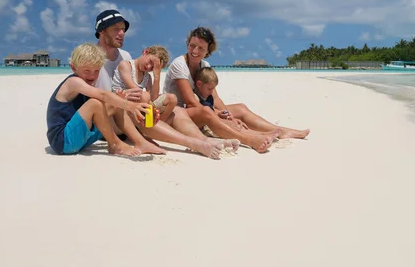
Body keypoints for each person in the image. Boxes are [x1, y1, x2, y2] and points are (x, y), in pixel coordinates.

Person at [93, 9, 239, 159]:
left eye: (123, 29)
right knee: (144, 106)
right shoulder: (92, 57)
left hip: (128, 112)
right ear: (102, 31)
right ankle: (195, 144)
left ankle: (205, 140)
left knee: (177, 110)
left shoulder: (124, 55)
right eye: (116, 29)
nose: (122, 33)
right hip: (110, 118)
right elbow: (87, 96)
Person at [163, 27, 308, 152]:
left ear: (208, 51)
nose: (195, 51)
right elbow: (190, 102)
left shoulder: (204, 65)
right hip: (178, 115)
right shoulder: (179, 65)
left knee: (240, 108)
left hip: (197, 110)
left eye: (201, 48)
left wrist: (229, 116)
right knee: (208, 111)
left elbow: (216, 98)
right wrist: (221, 115)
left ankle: (280, 131)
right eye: (192, 45)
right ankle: (250, 139)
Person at [46, 43, 163, 157]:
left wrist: (120, 100)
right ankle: (115, 144)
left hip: (81, 139)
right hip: (63, 142)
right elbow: (102, 95)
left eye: (96, 71)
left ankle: (140, 142)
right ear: (73, 67)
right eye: (87, 71)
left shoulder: (88, 84)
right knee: (95, 103)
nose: (92, 76)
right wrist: (131, 106)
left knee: (115, 103)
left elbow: (106, 100)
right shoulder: (73, 82)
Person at [111, 44, 177, 121]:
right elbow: (134, 88)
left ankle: (157, 124)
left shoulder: (147, 77)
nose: (149, 67)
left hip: (138, 101)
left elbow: (153, 98)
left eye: (153, 68)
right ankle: (150, 123)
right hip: (122, 99)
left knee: (172, 98)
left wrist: (156, 77)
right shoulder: (126, 65)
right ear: (146, 52)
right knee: (145, 95)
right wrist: (149, 101)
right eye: (150, 61)